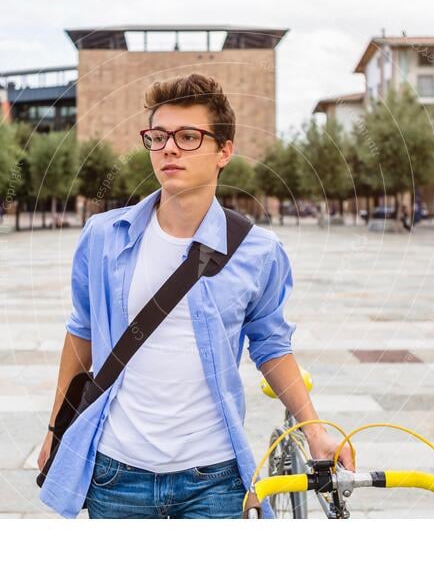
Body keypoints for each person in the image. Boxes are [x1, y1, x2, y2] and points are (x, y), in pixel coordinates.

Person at [37, 73, 354, 520]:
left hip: (215, 477)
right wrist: (56, 428)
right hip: (116, 472)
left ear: (224, 151)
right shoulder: (103, 237)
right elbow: (80, 334)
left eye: (188, 137)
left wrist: (314, 429)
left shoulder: (257, 251)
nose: (169, 148)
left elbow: (272, 346)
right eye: (158, 136)